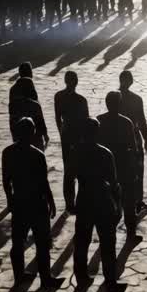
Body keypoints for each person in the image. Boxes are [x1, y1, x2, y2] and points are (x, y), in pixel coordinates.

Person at [72, 118, 127, 292]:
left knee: (82, 241)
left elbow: (68, 180)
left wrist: (69, 201)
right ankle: (110, 280)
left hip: (84, 199)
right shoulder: (105, 153)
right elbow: (114, 182)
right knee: (107, 243)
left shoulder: (76, 152)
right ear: (97, 132)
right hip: (102, 200)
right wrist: (118, 204)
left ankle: (81, 276)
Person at [2, 117, 58, 286]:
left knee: (18, 241)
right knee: (42, 242)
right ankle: (46, 278)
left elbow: (6, 180)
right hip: (37, 202)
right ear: (33, 132)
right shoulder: (37, 155)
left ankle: (19, 276)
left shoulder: (8, 152)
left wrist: (10, 199)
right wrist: (51, 201)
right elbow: (43, 182)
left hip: (19, 200)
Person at [98, 90, 142, 240]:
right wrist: (135, 168)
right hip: (123, 166)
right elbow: (133, 148)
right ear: (119, 104)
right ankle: (131, 233)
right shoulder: (126, 122)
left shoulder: (99, 120)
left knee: (108, 202)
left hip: (105, 167)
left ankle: (108, 234)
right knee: (129, 202)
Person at [54, 71, 88, 210]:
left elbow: (58, 117)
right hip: (79, 135)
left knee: (68, 169)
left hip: (66, 134)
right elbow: (86, 121)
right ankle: (80, 200)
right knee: (80, 169)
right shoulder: (81, 100)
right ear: (76, 82)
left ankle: (69, 203)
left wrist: (61, 131)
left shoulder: (59, 96)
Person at [118, 70, 147, 215]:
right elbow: (141, 120)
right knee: (138, 170)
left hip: (118, 138)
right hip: (133, 137)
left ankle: (122, 199)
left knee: (121, 169)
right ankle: (137, 200)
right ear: (131, 81)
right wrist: (146, 138)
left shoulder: (114, 97)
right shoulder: (136, 99)